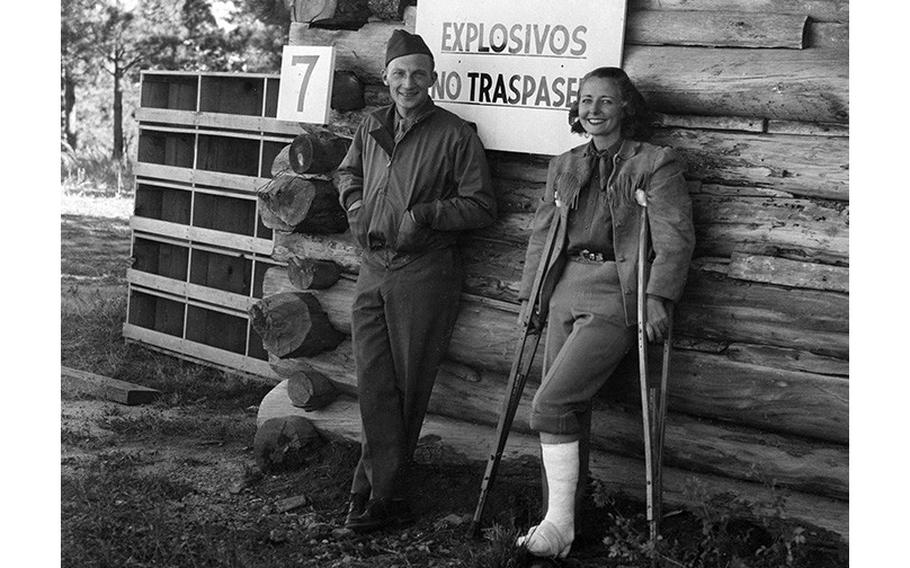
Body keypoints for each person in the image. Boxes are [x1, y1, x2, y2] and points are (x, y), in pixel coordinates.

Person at [514, 67, 695, 560]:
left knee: (550, 404)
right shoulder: (565, 163)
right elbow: (541, 234)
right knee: (568, 408)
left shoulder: (654, 163)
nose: (593, 110)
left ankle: (557, 528)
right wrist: (533, 296)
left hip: (618, 292)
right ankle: (565, 520)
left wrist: (658, 296)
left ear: (625, 108)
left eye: (605, 101)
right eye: (585, 100)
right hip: (564, 288)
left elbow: (675, 238)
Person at [334, 29, 497, 533]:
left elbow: (482, 204)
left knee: (408, 386)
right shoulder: (371, 125)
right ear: (386, 77)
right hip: (373, 268)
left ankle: (380, 495)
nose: (409, 83)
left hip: (425, 272)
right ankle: (376, 488)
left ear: (433, 79)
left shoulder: (454, 134)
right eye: (400, 73)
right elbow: (347, 173)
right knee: (374, 383)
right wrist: (355, 203)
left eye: (419, 74)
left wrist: (424, 215)